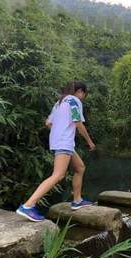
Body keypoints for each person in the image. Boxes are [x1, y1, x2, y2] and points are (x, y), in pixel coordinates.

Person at [16, 81, 96, 222]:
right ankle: (28, 205)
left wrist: (59, 127)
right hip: (64, 141)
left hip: (61, 141)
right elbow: (78, 122)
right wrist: (89, 141)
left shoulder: (59, 102)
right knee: (58, 175)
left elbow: (48, 123)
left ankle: (77, 200)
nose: (83, 97)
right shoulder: (74, 100)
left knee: (80, 167)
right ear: (80, 92)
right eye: (84, 94)